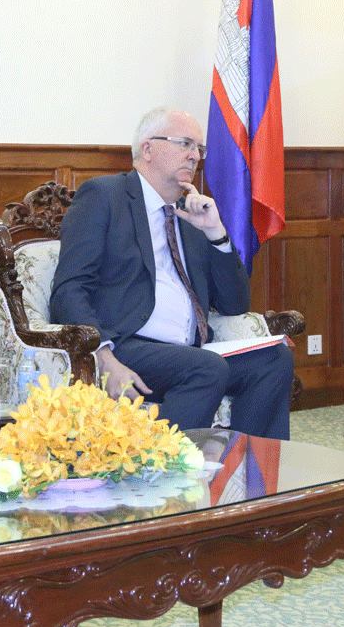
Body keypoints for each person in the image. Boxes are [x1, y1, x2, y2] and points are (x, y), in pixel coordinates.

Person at [49, 107, 294, 439]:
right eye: (185, 144)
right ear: (147, 149)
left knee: (272, 359)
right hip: (127, 344)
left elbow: (234, 304)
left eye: (199, 149)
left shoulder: (191, 216)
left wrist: (216, 234)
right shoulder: (104, 196)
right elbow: (69, 289)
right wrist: (103, 356)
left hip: (190, 352)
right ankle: (163, 471)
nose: (195, 156)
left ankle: (253, 474)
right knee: (206, 369)